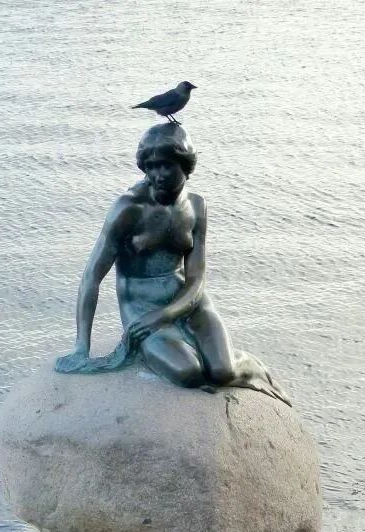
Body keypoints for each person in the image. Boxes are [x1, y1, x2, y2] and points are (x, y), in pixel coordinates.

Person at [55, 123, 290, 406]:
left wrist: (166, 314)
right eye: (151, 167)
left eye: (166, 166)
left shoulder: (197, 206)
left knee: (223, 371)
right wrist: (82, 347)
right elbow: (91, 278)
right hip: (142, 307)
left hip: (187, 301)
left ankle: (250, 366)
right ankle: (172, 351)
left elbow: (196, 278)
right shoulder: (128, 209)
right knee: (188, 373)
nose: (157, 175)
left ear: (185, 165)